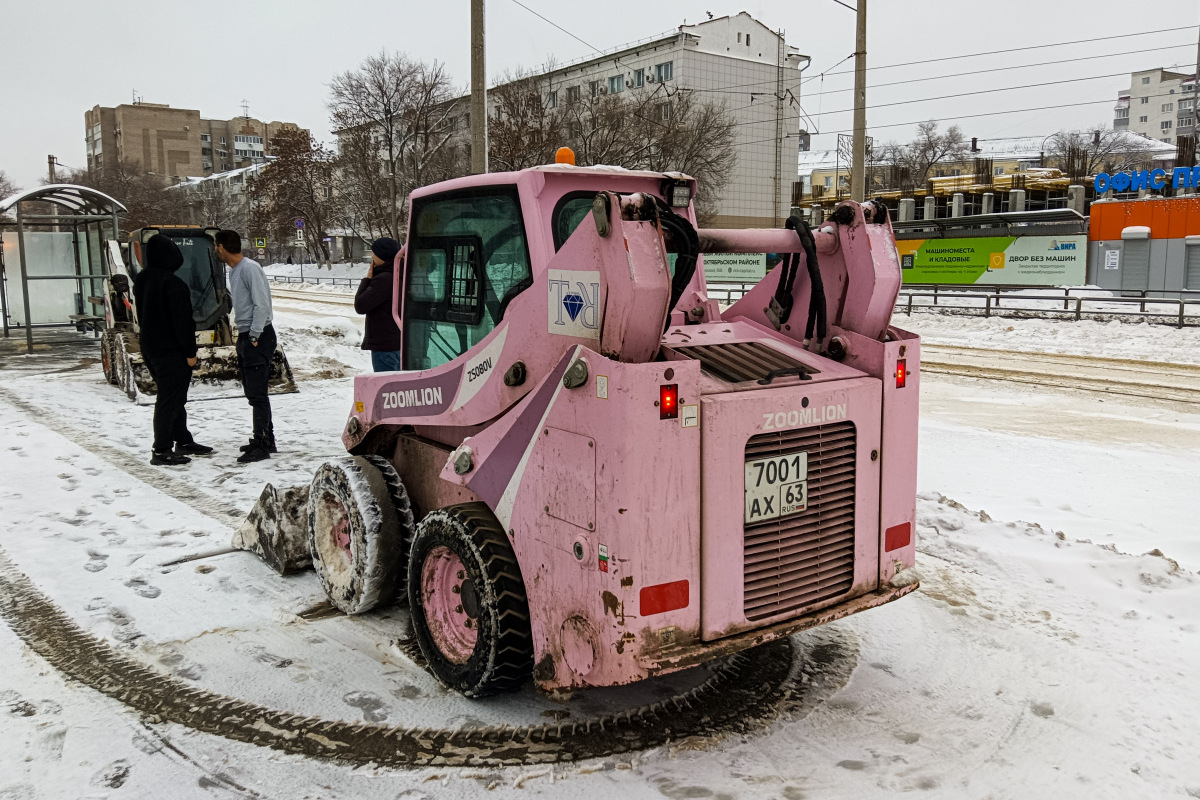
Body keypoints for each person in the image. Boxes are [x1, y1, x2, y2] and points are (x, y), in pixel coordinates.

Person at [132, 234, 214, 466]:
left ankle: (183, 439)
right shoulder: (172, 284)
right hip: (172, 351)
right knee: (169, 399)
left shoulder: (143, 279)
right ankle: (161, 449)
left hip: (151, 347)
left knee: (174, 397)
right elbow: (182, 322)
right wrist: (190, 353)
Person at [214, 229, 277, 463]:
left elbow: (262, 305)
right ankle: (266, 438)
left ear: (221, 247)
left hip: (257, 335)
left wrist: (253, 335)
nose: (214, 251)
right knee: (252, 392)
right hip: (248, 334)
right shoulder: (236, 271)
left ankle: (262, 443)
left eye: (215, 246)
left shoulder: (249, 268)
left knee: (257, 393)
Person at [355, 238, 404, 372]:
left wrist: (368, 278)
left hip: (385, 345)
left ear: (381, 256)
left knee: (388, 387)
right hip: (399, 341)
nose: (372, 256)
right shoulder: (401, 273)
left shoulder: (384, 279)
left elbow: (360, 305)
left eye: (374, 253)